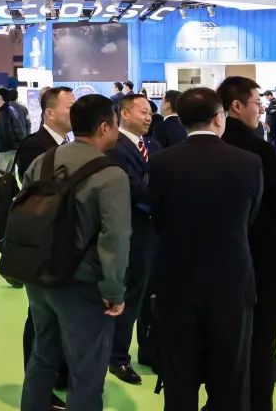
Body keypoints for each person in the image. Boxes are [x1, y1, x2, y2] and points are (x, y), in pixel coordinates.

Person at [148, 87, 263, 411]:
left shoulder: (160, 163)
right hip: (231, 283)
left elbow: (158, 217)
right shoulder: (249, 162)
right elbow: (250, 217)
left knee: (179, 383)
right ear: (219, 117)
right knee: (230, 382)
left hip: (176, 284)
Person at [19, 93, 131, 411]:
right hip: (83, 284)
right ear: (105, 127)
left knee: (42, 355)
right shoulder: (111, 174)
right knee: (87, 370)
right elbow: (115, 237)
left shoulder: (43, 161)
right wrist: (114, 290)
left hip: (39, 275)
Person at [217, 76, 276, 411]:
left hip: (220, 262)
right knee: (262, 340)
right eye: (257, 103)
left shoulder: (210, 147)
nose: (261, 110)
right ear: (237, 106)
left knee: (226, 340)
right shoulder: (259, 150)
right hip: (265, 260)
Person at [17, 86, 75, 406]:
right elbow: (38, 196)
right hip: (42, 245)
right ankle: (39, 386)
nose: (74, 112)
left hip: (65, 247)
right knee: (38, 319)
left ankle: (59, 374)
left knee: (60, 315)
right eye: (69, 107)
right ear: (50, 113)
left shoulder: (70, 146)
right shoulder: (35, 146)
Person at [105, 94, 159, 386]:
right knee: (130, 296)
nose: (148, 117)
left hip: (155, 233)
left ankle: (150, 351)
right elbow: (134, 190)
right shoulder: (115, 148)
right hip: (132, 233)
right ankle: (118, 357)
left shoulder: (153, 146)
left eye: (150, 112)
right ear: (124, 114)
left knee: (151, 296)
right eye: (142, 112)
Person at [0, 87, 26, 180]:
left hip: (4, 149)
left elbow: (6, 130)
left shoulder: (3, 111)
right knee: (8, 175)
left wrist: (8, 145)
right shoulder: (12, 109)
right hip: (13, 148)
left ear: (0, 97)